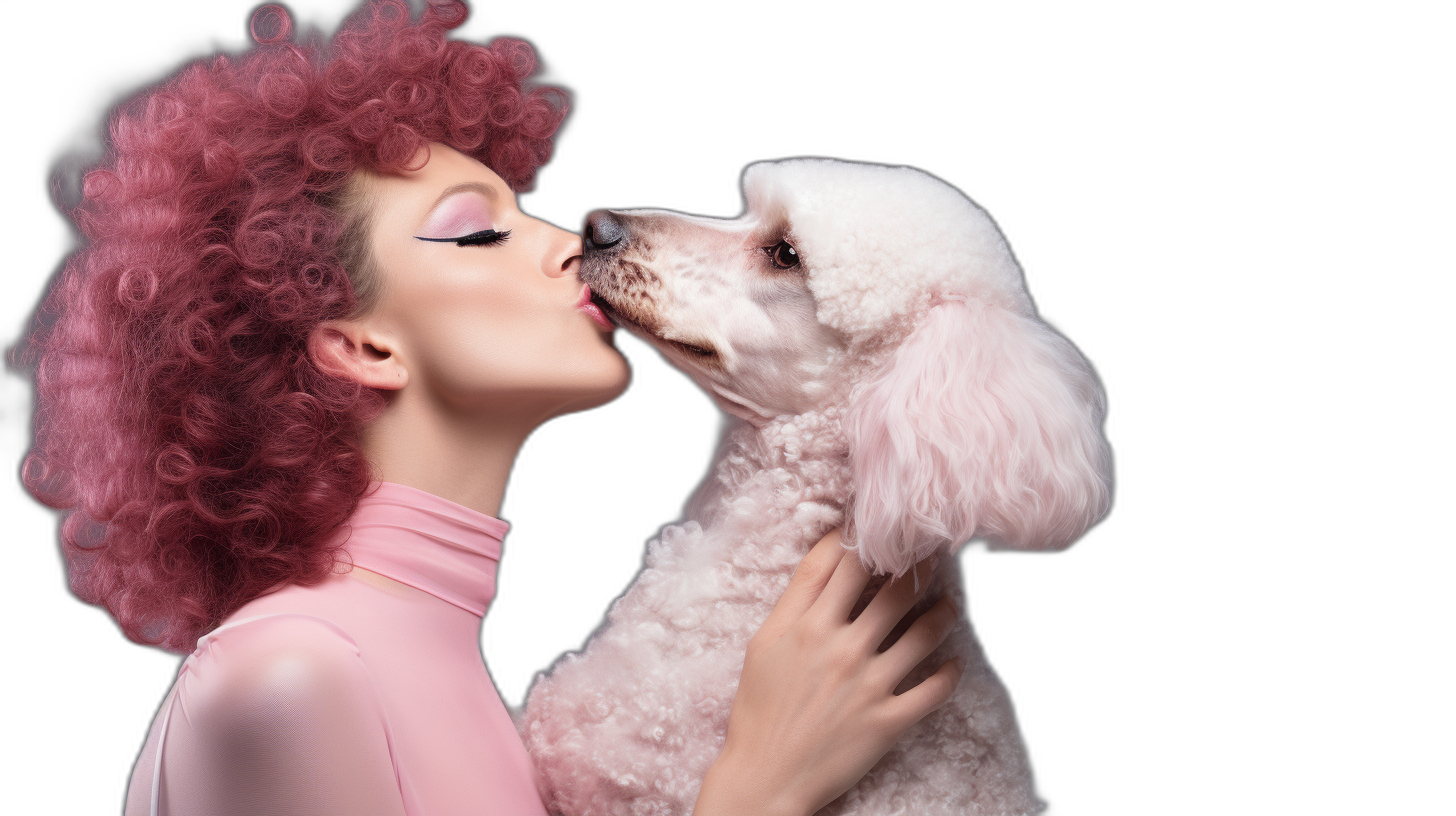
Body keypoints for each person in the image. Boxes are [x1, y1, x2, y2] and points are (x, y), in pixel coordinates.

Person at [11, 2, 959, 813]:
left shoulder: (422, 660)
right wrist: (760, 781)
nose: (565, 241)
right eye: (477, 233)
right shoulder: (287, 678)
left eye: (526, 209)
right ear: (358, 344)